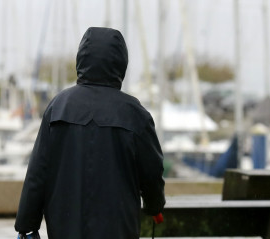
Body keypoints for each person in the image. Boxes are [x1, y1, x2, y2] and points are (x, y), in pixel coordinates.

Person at [14, 27, 165, 239]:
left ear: (82, 58)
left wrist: (26, 224)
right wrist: (154, 205)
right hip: (118, 228)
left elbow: (38, 172)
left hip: (65, 227)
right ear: (121, 62)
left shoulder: (59, 106)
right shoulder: (135, 114)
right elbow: (151, 172)